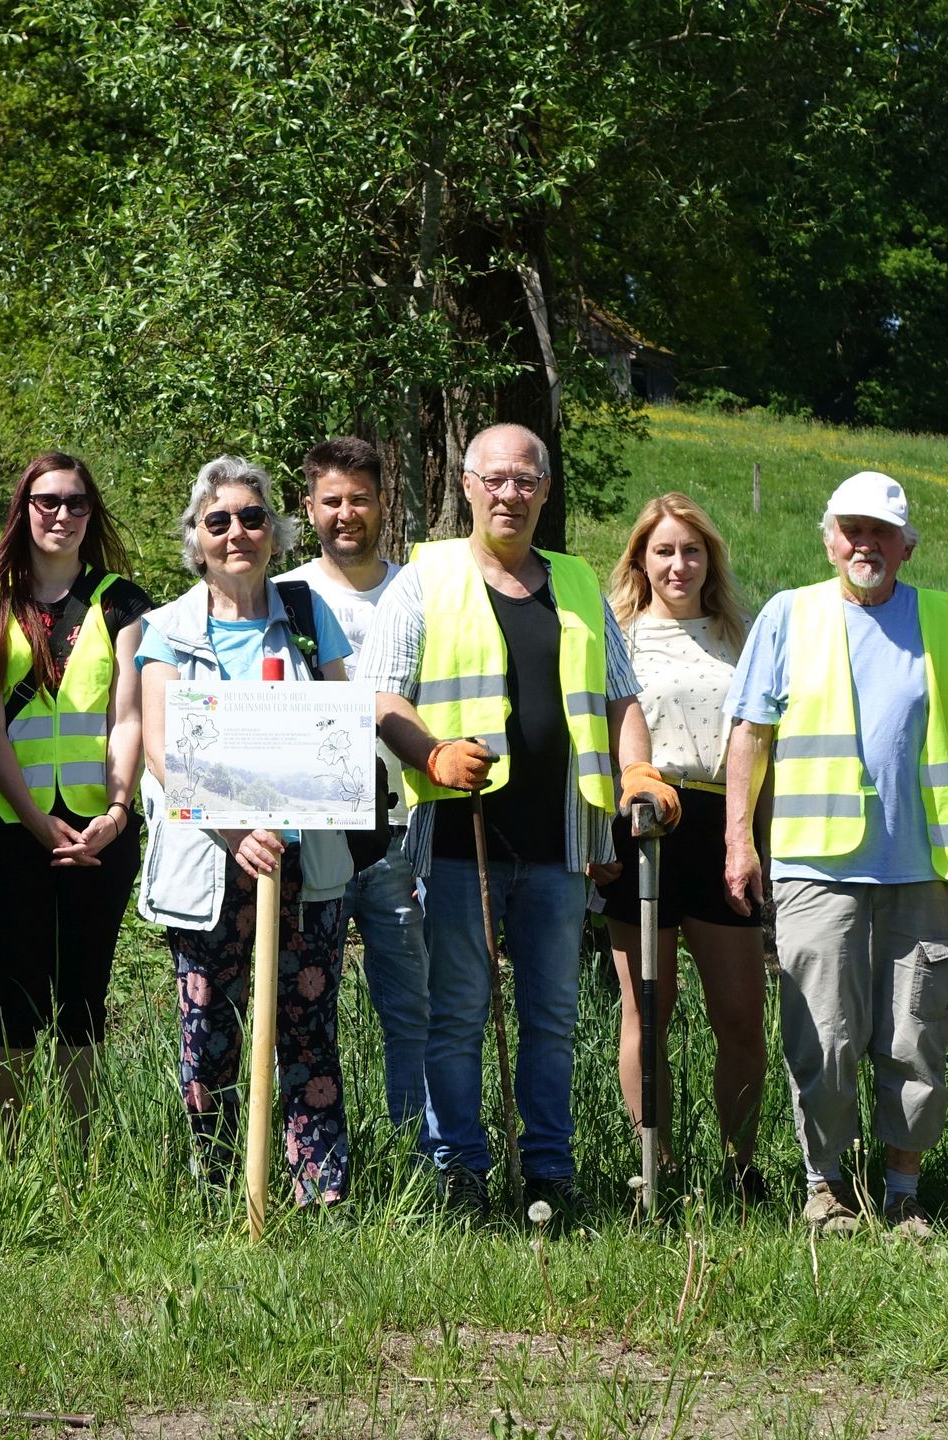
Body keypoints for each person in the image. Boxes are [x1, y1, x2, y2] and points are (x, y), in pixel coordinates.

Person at [364, 422, 677, 1225]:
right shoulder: (424, 577)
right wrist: (429, 754)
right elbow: (381, 694)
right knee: (460, 1012)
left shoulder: (575, 584)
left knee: (551, 1019)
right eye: (494, 479)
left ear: (545, 489)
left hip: (560, 843)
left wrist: (635, 771)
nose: (510, 493)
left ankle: (549, 1172)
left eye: (525, 480)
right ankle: (458, 1173)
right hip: (459, 839)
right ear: (467, 486)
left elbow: (620, 696)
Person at [723, 470, 948, 1240]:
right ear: (829, 540)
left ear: (906, 545)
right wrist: (737, 839)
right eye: (852, 530)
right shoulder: (790, 615)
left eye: (881, 532)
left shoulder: (942, 622)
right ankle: (826, 1189)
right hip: (812, 867)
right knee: (822, 1037)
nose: (866, 544)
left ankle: (902, 1193)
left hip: (917, 869)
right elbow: (749, 734)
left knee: (915, 1036)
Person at [138, 456, 358, 1206]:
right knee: (211, 1032)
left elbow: (340, 724)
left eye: (253, 517)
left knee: (308, 1028)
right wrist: (235, 830)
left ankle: (319, 1194)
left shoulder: (304, 616)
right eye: (219, 521)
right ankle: (218, 1188)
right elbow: (161, 745)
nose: (238, 533)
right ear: (196, 540)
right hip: (210, 863)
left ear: (277, 531)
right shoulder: (165, 628)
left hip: (305, 861)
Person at [0, 453, 155, 1162]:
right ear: (22, 509)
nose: (60, 515)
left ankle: (78, 1162)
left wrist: (120, 809)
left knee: (84, 1000)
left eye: (74, 503)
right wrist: (39, 825)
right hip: (9, 829)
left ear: (91, 513)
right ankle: (0, 1165)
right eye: (45, 502)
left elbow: (128, 716)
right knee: (12, 998)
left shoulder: (124, 602)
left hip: (101, 829)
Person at [600, 493, 770, 1202]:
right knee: (648, 1005)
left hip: (723, 824)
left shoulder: (744, 633)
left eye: (692, 550)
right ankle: (655, 1165)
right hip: (641, 824)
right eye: (664, 550)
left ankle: (740, 1166)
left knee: (739, 1012)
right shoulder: (619, 634)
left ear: (711, 559)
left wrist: (757, 837)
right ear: (640, 557)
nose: (678, 564)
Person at [278, 437, 430, 1149]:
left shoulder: (421, 591)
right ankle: (313, 1154)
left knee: (415, 1011)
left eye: (360, 499)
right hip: (321, 839)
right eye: (331, 500)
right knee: (308, 1010)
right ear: (309, 509)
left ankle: (418, 1159)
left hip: (411, 831)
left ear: (382, 505)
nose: (347, 514)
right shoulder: (286, 601)